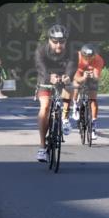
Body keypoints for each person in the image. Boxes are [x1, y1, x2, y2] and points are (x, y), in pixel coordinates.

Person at [34, 24, 77, 162]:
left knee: (69, 88)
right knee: (45, 106)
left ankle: (64, 117)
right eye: (55, 42)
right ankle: (42, 146)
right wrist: (49, 78)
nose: (59, 45)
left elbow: (72, 67)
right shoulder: (41, 51)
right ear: (49, 40)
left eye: (62, 42)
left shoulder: (72, 51)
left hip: (62, 79)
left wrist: (68, 76)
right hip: (46, 79)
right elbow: (41, 68)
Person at [72, 44, 105, 140]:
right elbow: (75, 77)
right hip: (79, 72)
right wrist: (83, 77)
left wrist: (92, 76)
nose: (89, 59)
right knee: (77, 85)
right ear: (82, 55)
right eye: (86, 57)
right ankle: (75, 105)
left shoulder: (98, 59)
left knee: (93, 99)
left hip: (91, 75)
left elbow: (97, 77)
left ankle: (93, 126)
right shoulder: (76, 57)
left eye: (91, 57)